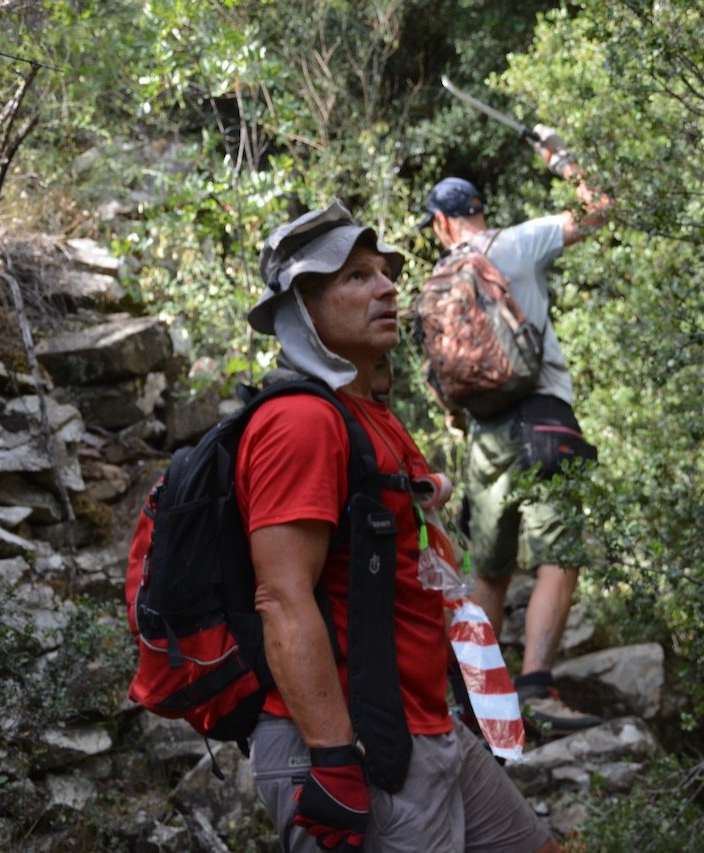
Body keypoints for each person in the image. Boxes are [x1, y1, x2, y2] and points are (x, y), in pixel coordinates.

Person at [238, 200, 557, 852]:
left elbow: (417, 501)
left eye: (384, 272)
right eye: (356, 277)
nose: (386, 286)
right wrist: (332, 756)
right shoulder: (299, 423)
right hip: (356, 740)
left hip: (426, 723)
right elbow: (281, 596)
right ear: (303, 305)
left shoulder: (365, 410)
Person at [419, 125, 612, 733]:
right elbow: (600, 208)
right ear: (476, 212)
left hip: (484, 438)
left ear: (441, 224)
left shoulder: (436, 282)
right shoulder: (519, 244)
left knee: (491, 570)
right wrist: (561, 157)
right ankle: (536, 689)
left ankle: (477, 701)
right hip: (546, 416)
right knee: (560, 553)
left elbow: (442, 383)